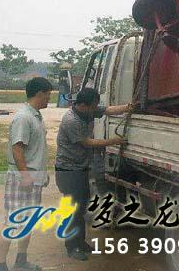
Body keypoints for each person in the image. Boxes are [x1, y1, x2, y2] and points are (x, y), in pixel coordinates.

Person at [54, 88, 128, 261]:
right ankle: (72, 246)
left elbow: (108, 110)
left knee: (81, 207)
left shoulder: (88, 110)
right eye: (93, 106)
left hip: (80, 168)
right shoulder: (71, 120)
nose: (96, 109)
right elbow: (88, 143)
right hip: (68, 171)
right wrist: (113, 141)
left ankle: (80, 242)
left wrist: (128, 107)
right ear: (82, 105)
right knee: (73, 210)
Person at [0, 77, 53, 271]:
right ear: (39, 93)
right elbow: (17, 148)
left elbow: (36, 150)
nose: (49, 98)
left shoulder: (36, 116)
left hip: (33, 178)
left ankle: (21, 260)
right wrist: (26, 176)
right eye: (48, 94)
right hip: (22, 179)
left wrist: (41, 175)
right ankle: (0, 264)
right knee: (12, 221)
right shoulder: (24, 117)